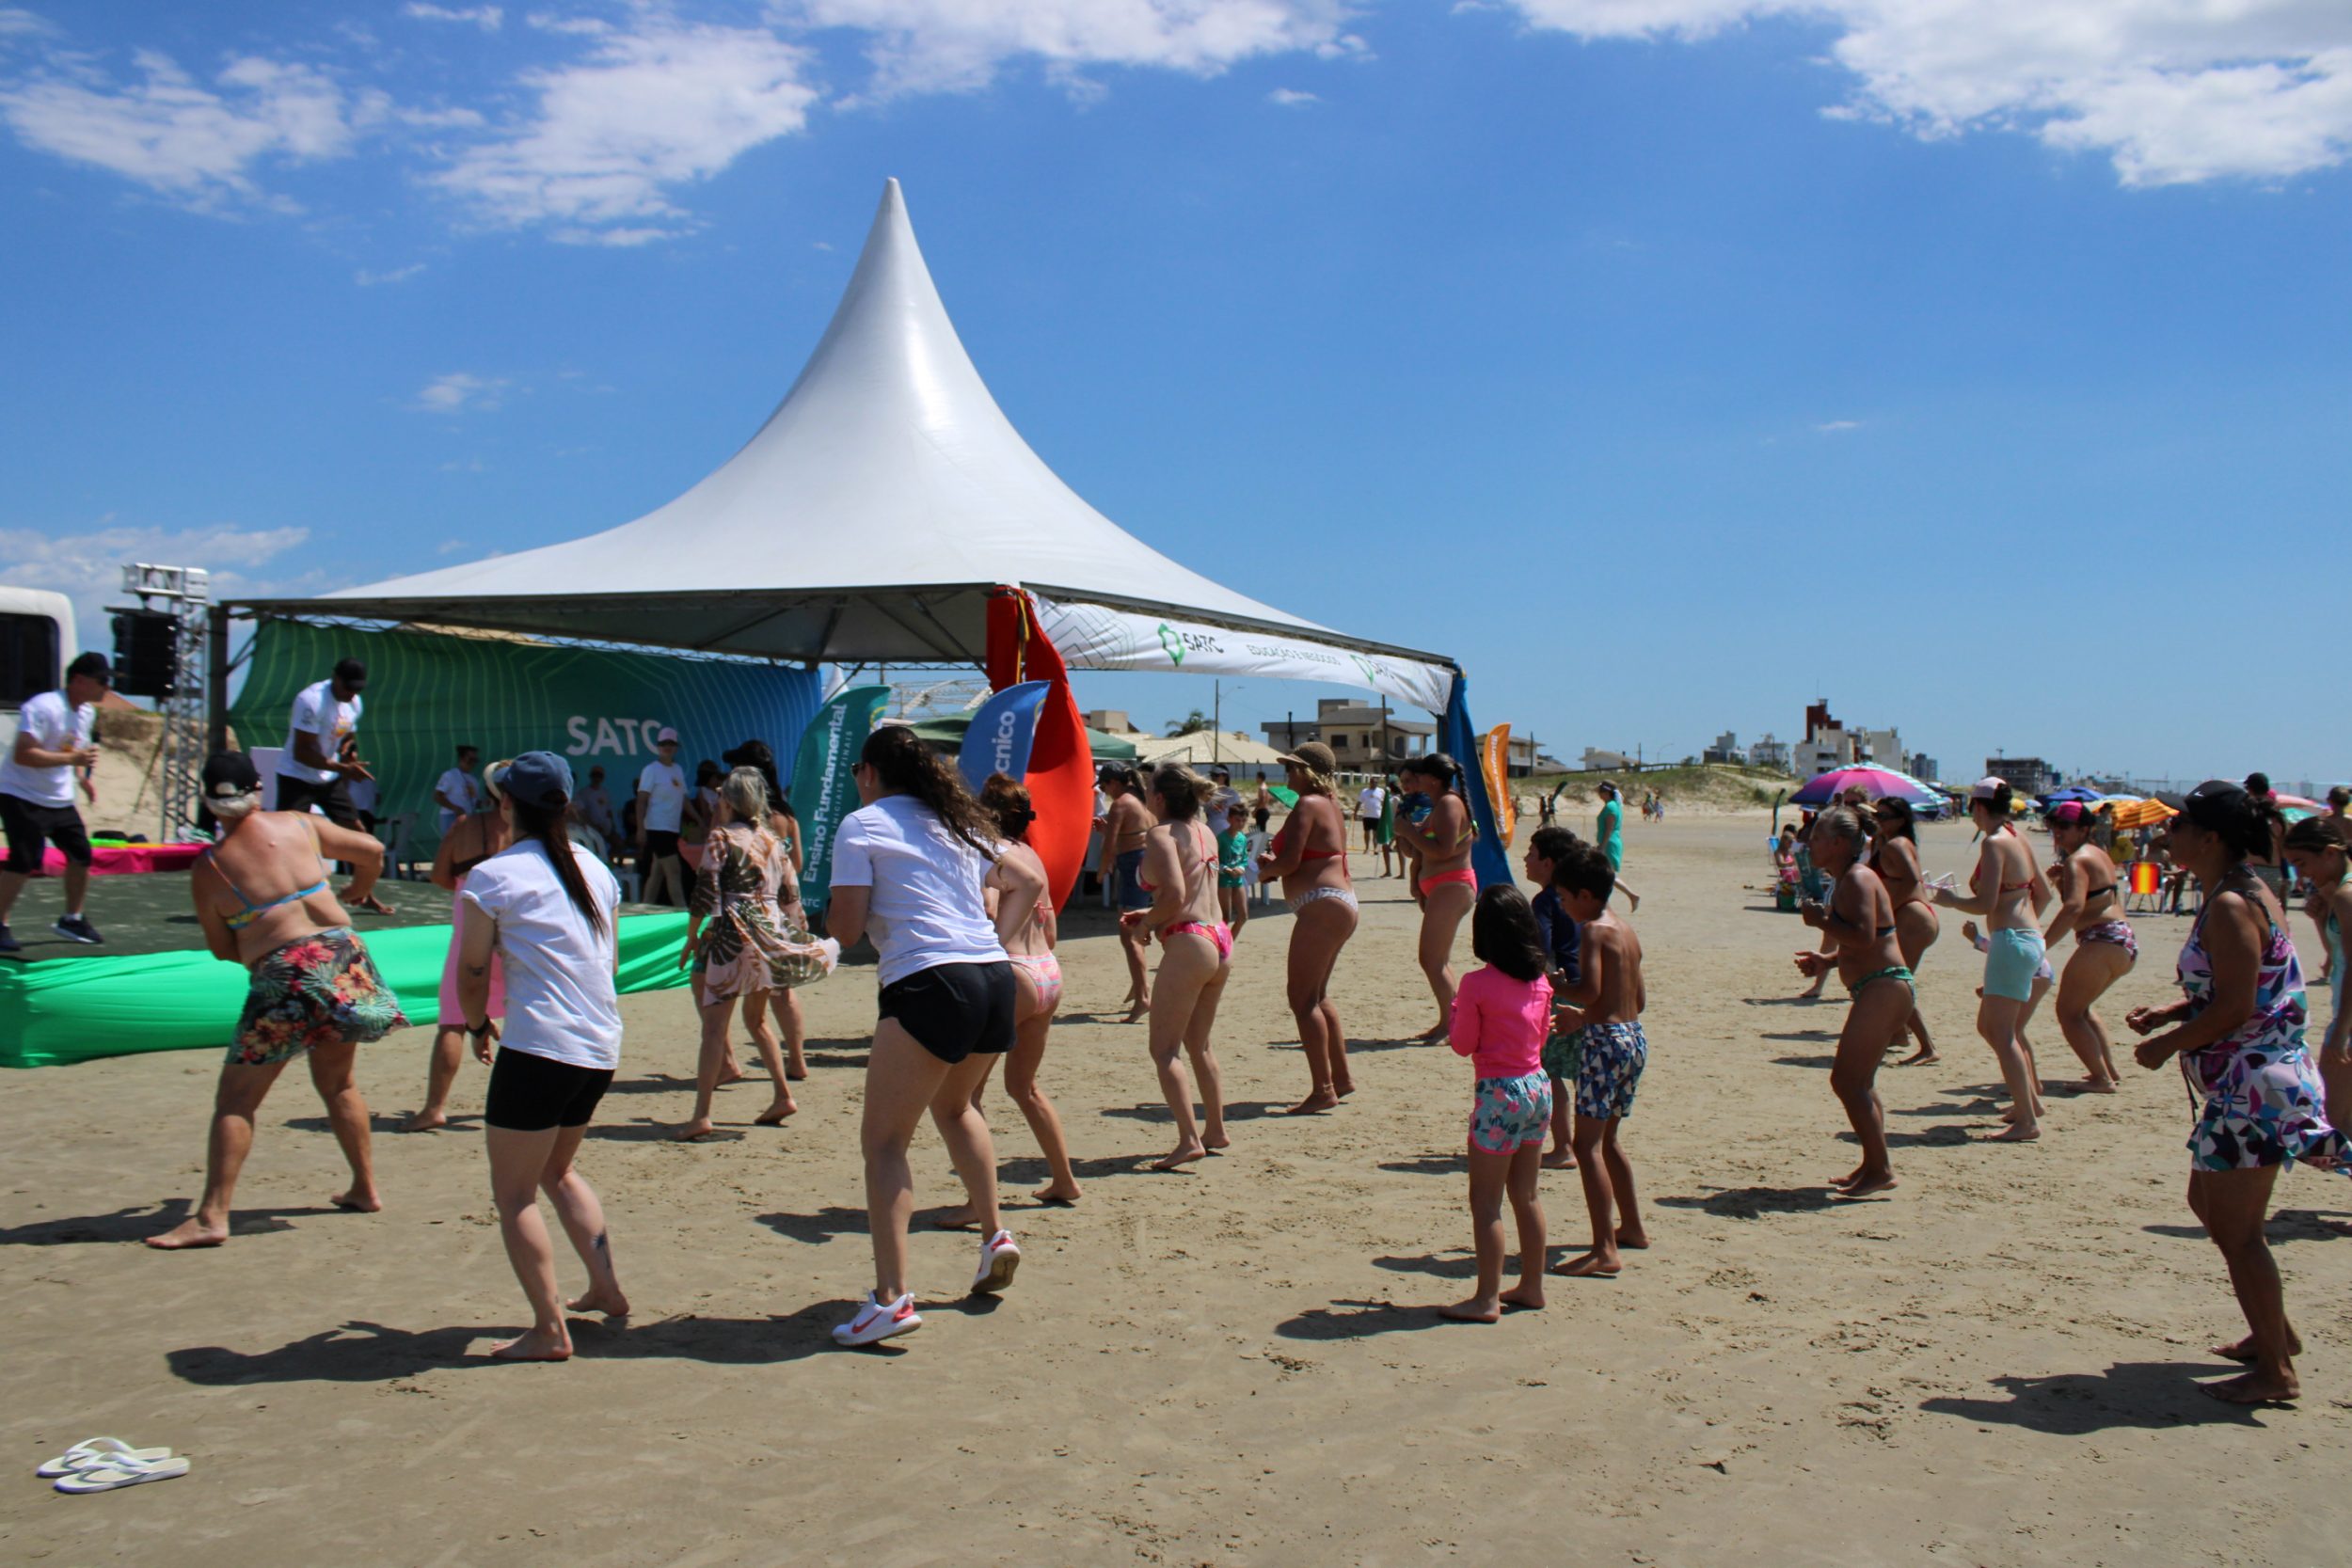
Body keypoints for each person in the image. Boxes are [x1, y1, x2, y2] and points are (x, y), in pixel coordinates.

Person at [2126, 780, 2348, 1405]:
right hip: (2254, 1080)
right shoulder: (2243, 889)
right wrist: (2173, 1011)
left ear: (2210, 837)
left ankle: (2276, 1370)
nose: (2168, 832)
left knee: (2240, 1231)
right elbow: (2247, 985)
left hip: (2256, 1085)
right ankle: (2273, 1333)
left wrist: (2167, 1044)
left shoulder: (2230, 902)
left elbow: (2237, 1005)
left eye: (2178, 824)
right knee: (2208, 1203)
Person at [148, 752, 407, 1249]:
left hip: (285, 968)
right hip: (344, 956)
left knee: (237, 1100)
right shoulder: (299, 824)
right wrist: (360, 888)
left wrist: (258, 944)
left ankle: (212, 1216)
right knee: (339, 1083)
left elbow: (221, 948)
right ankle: (365, 1187)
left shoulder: (212, 866)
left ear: (209, 802)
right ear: (258, 789)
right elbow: (372, 849)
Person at [824, 725, 1028, 1347]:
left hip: (930, 978)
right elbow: (1024, 882)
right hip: (993, 976)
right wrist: (996, 937)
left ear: (868, 772)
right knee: (956, 1106)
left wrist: (818, 933)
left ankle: (890, 1298)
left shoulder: (862, 825)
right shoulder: (957, 822)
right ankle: (994, 1234)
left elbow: (847, 929)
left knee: (885, 1142)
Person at [453, 752, 630, 1360]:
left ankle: (549, 1328)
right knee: (558, 1170)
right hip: (598, 1045)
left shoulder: (494, 876)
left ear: (506, 804)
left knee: (515, 1195)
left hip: (539, 1046)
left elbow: (472, 971)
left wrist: (476, 1024)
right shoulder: (596, 869)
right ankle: (606, 1288)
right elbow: (608, 964)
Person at [672, 767, 838, 1141]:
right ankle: (782, 1094)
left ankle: (702, 1115)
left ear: (729, 801)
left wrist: (693, 934)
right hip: (767, 931)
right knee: (757, 1020)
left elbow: (706, 889)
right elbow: (790, 894)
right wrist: (795, 933)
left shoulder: (721, 836)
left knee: (715, 1027)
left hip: (732, 932)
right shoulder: (772, 841)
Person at [946, 774, 1080, 1212]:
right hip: (1048, 972)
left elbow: (989, 909)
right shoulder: (1031, 856)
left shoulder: (990, 854)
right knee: (1025, 1088)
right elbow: (1051, 930)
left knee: (965, 1096)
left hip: (1016, 972)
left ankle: (977, 1201)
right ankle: (1064, 1180)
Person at [1440, 885, 1552, 1322]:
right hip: (1537, 1086)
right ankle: (1532, 1285)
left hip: (1500, 1093)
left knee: (1486, 1202)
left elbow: (1463, 1044)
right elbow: (1540, 1040)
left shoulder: (1476, 984)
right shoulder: (1539, 980)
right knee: (1527, 1194)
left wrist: (1456, 1010)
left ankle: (1487, 1298)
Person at [1794, 807, 1911, 1198]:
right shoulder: (1850, 877)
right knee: (1860, 1082)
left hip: (1884, 987)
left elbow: (1863, 936)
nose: (1809, 844)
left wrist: (1819, 921)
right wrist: (1826, 960)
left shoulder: (1858, 878)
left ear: (1838, 843)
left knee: (1847, 1081)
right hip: (1880, 986)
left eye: (1816, 838)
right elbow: (1867, 940)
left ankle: (1881, 1169)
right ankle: (1873, 1164)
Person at [1123, 764, 1233, 1170]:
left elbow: (1173, 894)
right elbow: (1191, 894)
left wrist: (1145, 926)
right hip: (1218, 937)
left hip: (1189, 942)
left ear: (1159, 798)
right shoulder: (1205, 831)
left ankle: (1189, 1139)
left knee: (1164, 1049)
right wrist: (1152, 915)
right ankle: (1215, 1129)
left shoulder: (1160, 834)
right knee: (1199, 1044)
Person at [1931, 779, 2054, 1140]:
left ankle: (2027, 1120)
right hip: (2027, 938)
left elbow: (1985, 903)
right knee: (1990, 1027)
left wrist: (1951, 901)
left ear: (1981, 808)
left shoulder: (1994, 842)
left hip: (2012, 940)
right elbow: (2045, 893)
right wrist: (2026, 925)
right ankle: (2029, 1102)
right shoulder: (2018, 837)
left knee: (2002, 1033)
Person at [1549, 845, 1649, 1276]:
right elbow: (1637, 1000)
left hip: (1603, 1046)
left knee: (1586, 1146)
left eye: (1564, 898)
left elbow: (1588, 990)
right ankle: (1633, 1228)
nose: (1562, 906)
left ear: (1585, 896)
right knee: (1609, 1141)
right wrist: (1587, 1014)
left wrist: (1557, 987)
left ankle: (1604, 1249)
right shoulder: (1626, 931)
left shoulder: (1593, 931)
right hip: (1632, 1038)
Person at [402, 759, 514, 1133]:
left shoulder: (467, 825)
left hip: (471, 922)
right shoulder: (526, 831)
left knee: (452, 1021)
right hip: (515, 926)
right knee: (527, 1015)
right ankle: (520, 1102)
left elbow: (438, 875)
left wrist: (468, 886)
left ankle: (434, 1107)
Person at [1258, 742, 1359, 1115]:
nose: (1288, 774)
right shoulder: (1330, 803)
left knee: (1301, 1000)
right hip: (1338, 901)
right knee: (1317, 996)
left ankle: (1323, 1089)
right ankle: (1340, 1078)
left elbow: (1290, 861)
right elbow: (1310, 855)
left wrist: (1267, 870)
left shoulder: (1307, 804)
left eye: (1292, 768)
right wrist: (1277, 864)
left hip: (1323, 904)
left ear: (1306, 772)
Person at [0, 650, 110, 951]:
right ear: (79, 680)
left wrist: (82, 777)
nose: (107, 687)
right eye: (102, 680)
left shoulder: (86, 712)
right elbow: (24, 754)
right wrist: (73, 759)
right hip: (20, 794)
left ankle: (72, 918)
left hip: (58, 798)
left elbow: (73, 749)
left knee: (81, 854)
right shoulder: (43, 707)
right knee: (23, 860)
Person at [2042, 800, 2136, 1092]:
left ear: (2084, 829)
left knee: (2068, 1013)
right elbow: (2090, 899)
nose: (2058, 832)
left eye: (2065, 826)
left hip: (2102, 939)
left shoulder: (2077, 860)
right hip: (2121, 940)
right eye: (2054, 826)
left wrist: (2041, 945)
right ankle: (2108, 1070)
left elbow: (2073, 908)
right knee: (2081, 1009)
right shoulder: (2098, 854)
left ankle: (2101, 1078)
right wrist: (2061, 881)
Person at [1390, 752, 1479, 1042]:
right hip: (1442, 887)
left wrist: (1409, 832)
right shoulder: (1439, 805)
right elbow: (1420, 850)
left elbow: (1443, 850)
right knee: (1436, 960)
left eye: (1420, 775)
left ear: (1433, 779)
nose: (1415, 781)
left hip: (1452, 886)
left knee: (1432, 960)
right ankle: (1451, 1021)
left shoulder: (1449, 803)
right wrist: (1406, 834)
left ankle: (1453, 1024)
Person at [2282, 816, 2352, 1127]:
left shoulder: (2346, 895)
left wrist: (2340, 1030)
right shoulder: (2339, 893)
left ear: (2330, 853)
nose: (2301, 874)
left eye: (2302, 863)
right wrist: (2322, 919)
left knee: (2334, 1120)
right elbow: (2338, 957)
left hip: (2348, 1019)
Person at [1523, 825, 1584, 1171]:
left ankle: (1564, 1147)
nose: (1526, 859)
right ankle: (1583, 1145)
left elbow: (1541, 948)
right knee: (1582, 1072)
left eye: (1532, 854)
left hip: (1563, 990)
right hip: (1590, 989)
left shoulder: (1546, 900)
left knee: (1552, 1071)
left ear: (1548, 863)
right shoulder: (1581, 895)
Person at [274, 657, 379, 847]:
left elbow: (348, 737)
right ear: (335, 678)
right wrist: (342, 768)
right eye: (348, 688)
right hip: (296, 777)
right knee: (287, 838)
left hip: (328, 779)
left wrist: (349, 751)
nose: (351, 694)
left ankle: (362, 866)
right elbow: (302, 752)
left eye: (357, 689)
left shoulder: (354, 703)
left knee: (359, 834)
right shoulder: (311, 701)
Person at [1867, 799, 1940, 1066]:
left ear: (1900, 820)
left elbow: (1911, 880)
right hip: (1915, 918)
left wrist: (1887, 912)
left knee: (1895, 982)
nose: (1879, 819)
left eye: (1884, 816)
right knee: (1893, 980)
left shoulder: (1897, 845)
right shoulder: (1891, 842)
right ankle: (1898, 1034)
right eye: (1877, 814)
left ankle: (1927, 1047)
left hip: (1912, 919)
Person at [1097, 764, 1154, 1022]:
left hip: (1133, 865)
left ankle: (1143, 996)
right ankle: (1138, 984)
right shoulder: (1142, 799)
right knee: (1135, 931)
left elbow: (1109, 846)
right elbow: (1133, 833)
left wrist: (1102, 870)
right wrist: (1107, 828)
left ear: (1114, 783)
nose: (1105, 791)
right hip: (1146, 863)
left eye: (1104, 786)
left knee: (1129, 934)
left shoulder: (1121, 803)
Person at [634, 727, 689, 907]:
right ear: (658, 746)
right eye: (664, 744)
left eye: (671, 744)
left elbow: (684, 798)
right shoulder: (651, 770)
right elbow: (641, 801)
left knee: (657, 872)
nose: (667, 747)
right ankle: (683, 912)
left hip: (672, 828)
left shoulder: (678, 769)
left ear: (676, 747)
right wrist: (640, 829)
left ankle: (645, 907)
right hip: (657, 827)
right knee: (674, 871)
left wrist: (699, 819)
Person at [1593, 780, 1641, 913]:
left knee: (1606, 875)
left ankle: (1606, 904)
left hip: (1610, 844)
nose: (1599, 795)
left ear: (1606, 793)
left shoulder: (1611, 807)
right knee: (1606, 875)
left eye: (1601, 792)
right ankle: (1629, 896)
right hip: (1609, 842)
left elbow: (1609, 829)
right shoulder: (1612, 805)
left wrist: (1602, 846)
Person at [1216, 800, 1252, 941]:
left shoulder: (1242, 838)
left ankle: (1228, 943)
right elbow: (1214, 859)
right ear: (1229, 819)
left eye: (1244, 820)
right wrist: (1225, 869)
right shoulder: (1221, 838)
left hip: (1238, 879)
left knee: (1243, 916)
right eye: (1237, 820)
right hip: (1224, 880)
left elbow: (1244, 858)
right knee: (1225, 917)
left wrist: (1241, 868)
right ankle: (1218, 944)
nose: (1241, 823)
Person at [435, 745, 483, 834]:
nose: (473, 763)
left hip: (469, 817)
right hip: (451, 817)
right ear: (461, 759)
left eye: (475, 760)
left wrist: (484, 803)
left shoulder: (473, 780)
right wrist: (455, 808)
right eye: (470, 760)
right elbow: (437, 796)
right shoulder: (450, 775)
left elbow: (473, 802)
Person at [575, 765, 617, 848]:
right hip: (590, 829)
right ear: (590, 776)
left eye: (599, 775)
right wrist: (593, 826)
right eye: (595, 775)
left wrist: (612, 826)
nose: (597, 778)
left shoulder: (605, 792)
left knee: (617, 843)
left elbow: (608, 811)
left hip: (605, 828)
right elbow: (582, 813)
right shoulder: (583, 793)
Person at [1357, 777, 1387, 861]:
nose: (1373, 783)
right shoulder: (1364, 791)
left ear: (1377, 783)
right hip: (1367, 815)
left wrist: (1385, 814)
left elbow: (1384, 803)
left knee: (1375, 833)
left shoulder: (1381, 791)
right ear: (1369, 782)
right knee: (1367, 832)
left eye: (1375, 782)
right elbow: (1359, 802)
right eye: (1372, 782)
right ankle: (1367, 848)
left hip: (1377, 815)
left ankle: (1376, 849)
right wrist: (1355, 812)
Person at [1377, 774, 1400, 879]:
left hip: (1394, 824)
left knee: (1392, 847)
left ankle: (1394, 871)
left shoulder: (1396, 798)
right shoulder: (1390, 797)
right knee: (1388, 847)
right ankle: (1389, 871)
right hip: (1390, 824)